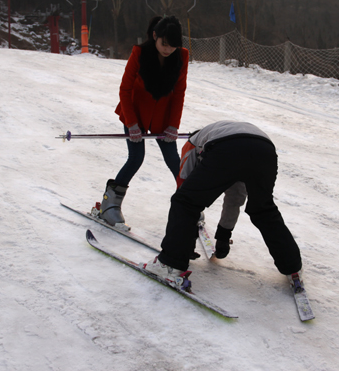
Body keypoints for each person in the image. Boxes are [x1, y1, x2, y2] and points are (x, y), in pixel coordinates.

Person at [142, 120, 304, 291]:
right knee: (263, 210)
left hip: (229, 147)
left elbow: (184, 189)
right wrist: (223, 235)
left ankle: (170, 264)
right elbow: (235, 197)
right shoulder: (222, 133)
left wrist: (184, 238)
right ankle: (292, 267)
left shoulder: (193, 142)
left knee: (183, 202)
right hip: (264, 150)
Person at [99, 16, 189, 230]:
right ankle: (109, 205)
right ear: (155, 36)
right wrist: (131, 123)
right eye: (164, 44)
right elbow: (124, 90)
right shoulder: (139, 53)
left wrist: (173, 125)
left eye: (173, 46)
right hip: (135, 113)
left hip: (163, 118)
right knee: (136, 158)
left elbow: (179, 93)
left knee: (173, 160)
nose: (168, 50)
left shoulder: (181, 57)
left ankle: (190, 205)